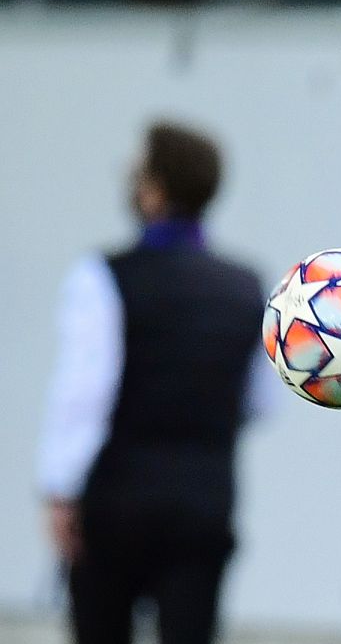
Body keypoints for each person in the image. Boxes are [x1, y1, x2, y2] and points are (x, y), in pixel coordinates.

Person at [38, 120, 275, 644]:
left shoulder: (104, 276)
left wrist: (59, 488)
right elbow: (261, 403)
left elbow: (83, 393)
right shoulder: (247, 287)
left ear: (154, 189)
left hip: (116, 499)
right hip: (205, 501)